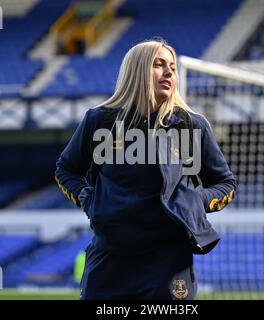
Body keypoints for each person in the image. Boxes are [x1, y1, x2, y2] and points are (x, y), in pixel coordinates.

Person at [55, 39, 237, 300]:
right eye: (159, 64)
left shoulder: (191, 126)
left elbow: (226, 184)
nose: (169, 72)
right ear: (137, 70)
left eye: (172, 67)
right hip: (110, 261)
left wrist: (195, 201)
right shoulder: (99, 121)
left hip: (170, 264)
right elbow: (66, 170)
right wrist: (88, 199)